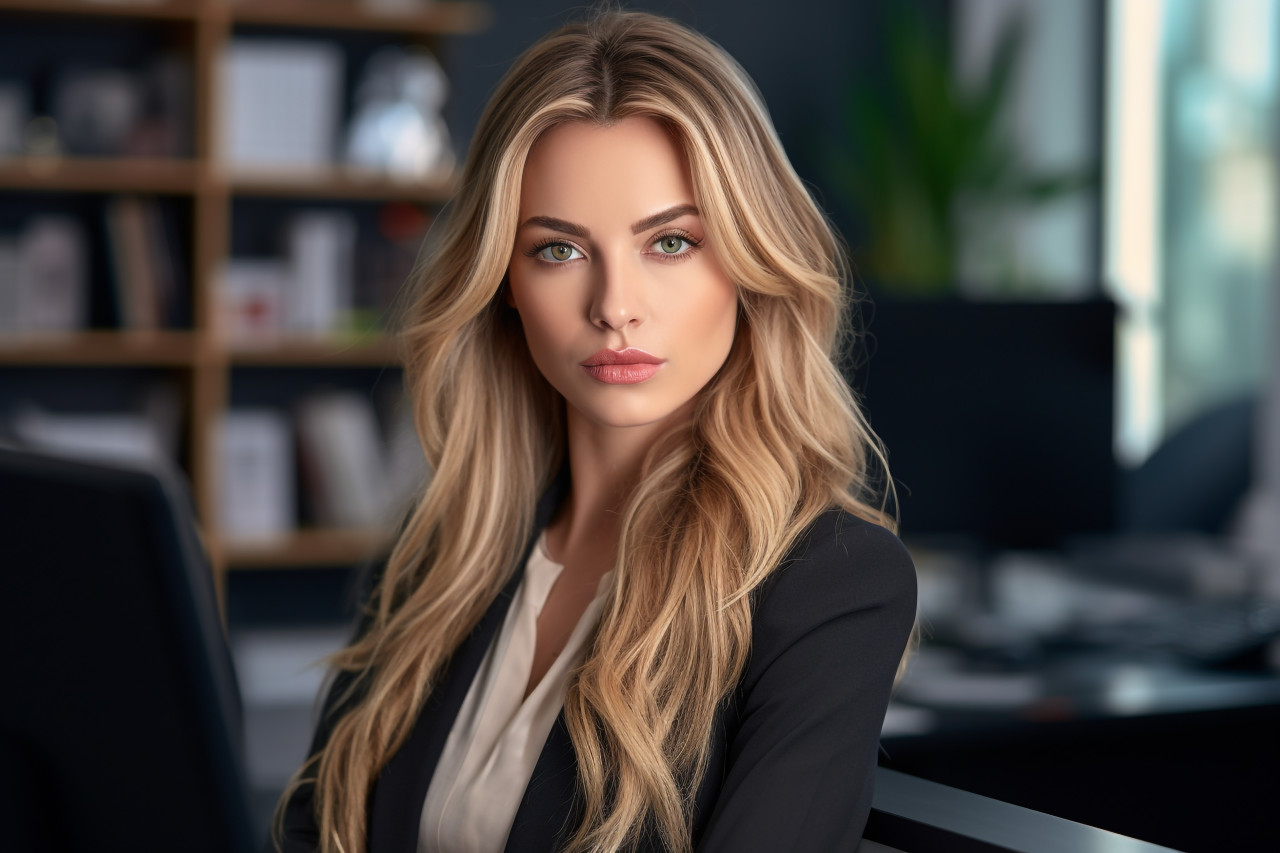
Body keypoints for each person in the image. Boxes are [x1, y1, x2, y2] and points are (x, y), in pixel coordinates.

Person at [273, 9, 916, 853]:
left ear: (752, 264)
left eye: (673, 242)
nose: (615, 307)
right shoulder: (440, 556)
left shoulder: (830, 583)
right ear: (503, 277)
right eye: (559, 251)